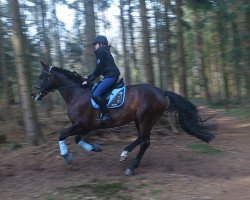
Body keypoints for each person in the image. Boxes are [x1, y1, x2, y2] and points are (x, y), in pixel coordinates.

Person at [82, 35, 120, 123]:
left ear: (100, 44)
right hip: (110, 76)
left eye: (95, 44)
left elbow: (99, 70)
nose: (94, 47)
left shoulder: (101, 51)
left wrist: (88, 80)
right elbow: (99, 69)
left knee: (96, 94)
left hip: (111, 76)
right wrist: (89, 77)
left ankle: (107, 115)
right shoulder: (104, 51)